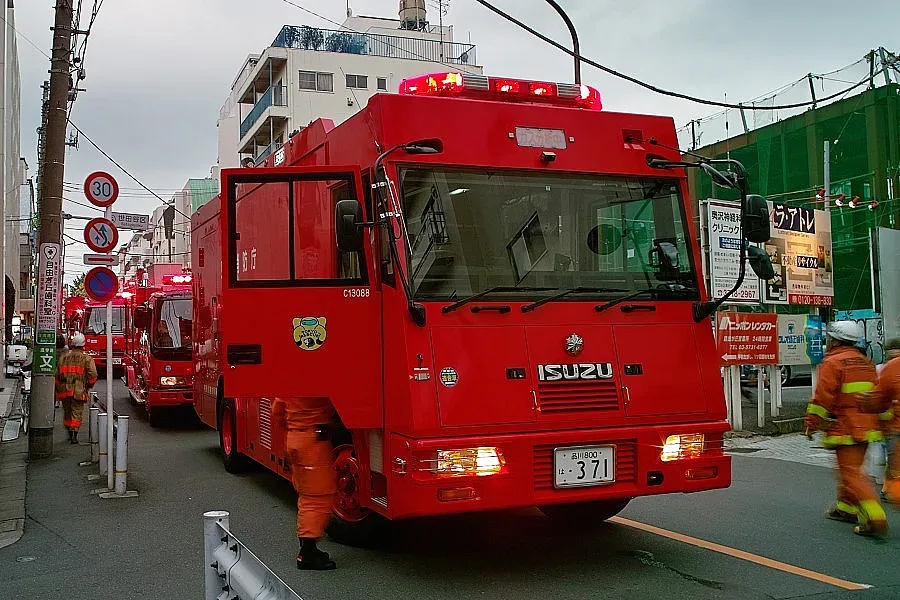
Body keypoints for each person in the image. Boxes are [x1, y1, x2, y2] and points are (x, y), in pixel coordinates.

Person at [805, 320, 888, 537]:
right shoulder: (865, 362)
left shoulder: (833, 363)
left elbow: (822, 399)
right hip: (867, 426)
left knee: (850, 473)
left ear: (834, 340)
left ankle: (875, 518)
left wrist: (812, 424)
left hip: (846, 427)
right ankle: (846, 509)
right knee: (850, 469)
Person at [272, 397, 338, 570]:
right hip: (313, 441)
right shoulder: (314, 380)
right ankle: (307, 552)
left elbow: (277, 411)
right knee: (318, 496)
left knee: (306, 493)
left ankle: (307, 545)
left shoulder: (290, 381)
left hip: (295, 438)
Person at [55, 332, 98, 444]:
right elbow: (93, 375)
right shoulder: (86, 358)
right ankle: (74, 435)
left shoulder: (63, 357)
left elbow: (57, 374)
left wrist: (58, 388)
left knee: (67, 412)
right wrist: (88, 386)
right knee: (77, 412)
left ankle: (69, 434)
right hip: (78, 390)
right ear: (83, 345)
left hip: (64, 389)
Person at [875, 339, 900, 502]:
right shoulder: (884, 370)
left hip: (893, 427)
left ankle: (890, 491)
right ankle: (888, 489)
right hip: (891, 427)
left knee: (893, 461)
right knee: (891, 461)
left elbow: (877, 399)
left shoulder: (888, 369)